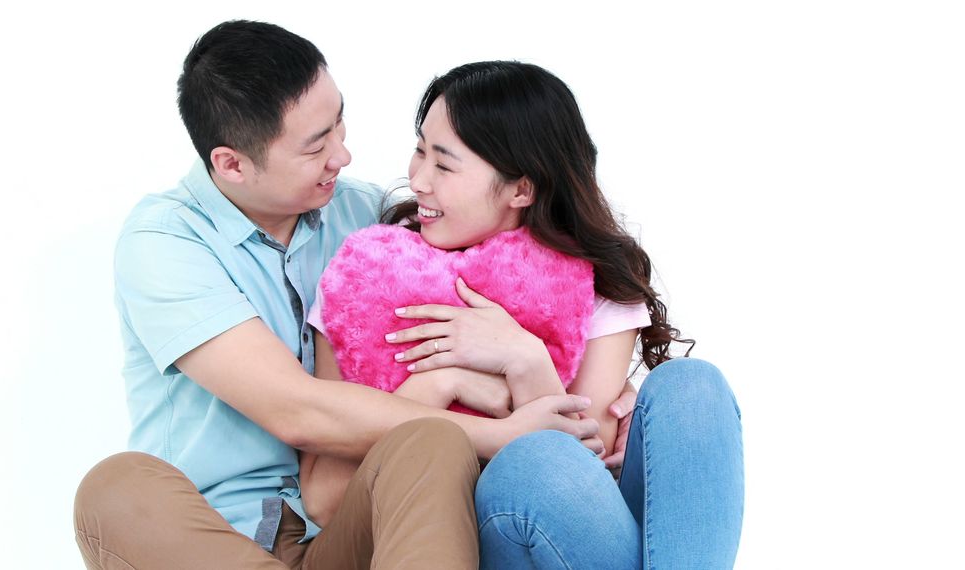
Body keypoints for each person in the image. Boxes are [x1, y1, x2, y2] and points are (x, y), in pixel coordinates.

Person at [72, 21, 617, 570]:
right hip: (212, 538)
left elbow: (509, 291)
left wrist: (615, 389)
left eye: (339, 126)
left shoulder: (370, 220)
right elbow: (296, 409)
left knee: (429, 442)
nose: (344, 156)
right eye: (316, 147)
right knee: (114, 489)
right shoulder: (165, 241)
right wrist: (497, 432)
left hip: (358, 530)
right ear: (231, 164)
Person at [300, 61, 745, 569]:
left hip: (579, 533)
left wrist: (525, 358)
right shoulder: (365, 282)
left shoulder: (593, 285)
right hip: (468, 532)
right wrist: (443, 382)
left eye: (444, 165)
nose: (418, 180)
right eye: (420, 149)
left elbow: (587, 467)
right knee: (534, 459)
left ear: (521, 189)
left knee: (693, 385)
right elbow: (326, 496)